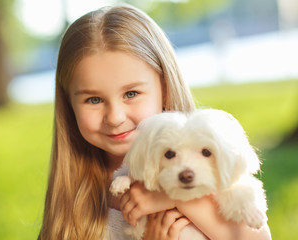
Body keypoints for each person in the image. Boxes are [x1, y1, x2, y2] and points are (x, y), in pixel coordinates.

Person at [38, 4, 271, 240]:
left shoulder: (212, 165)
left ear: (165, 89)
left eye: (131, 94)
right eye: (94, 99)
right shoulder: (72, 198)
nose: (116, 118)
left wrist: (173, 197)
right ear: (69, 104)